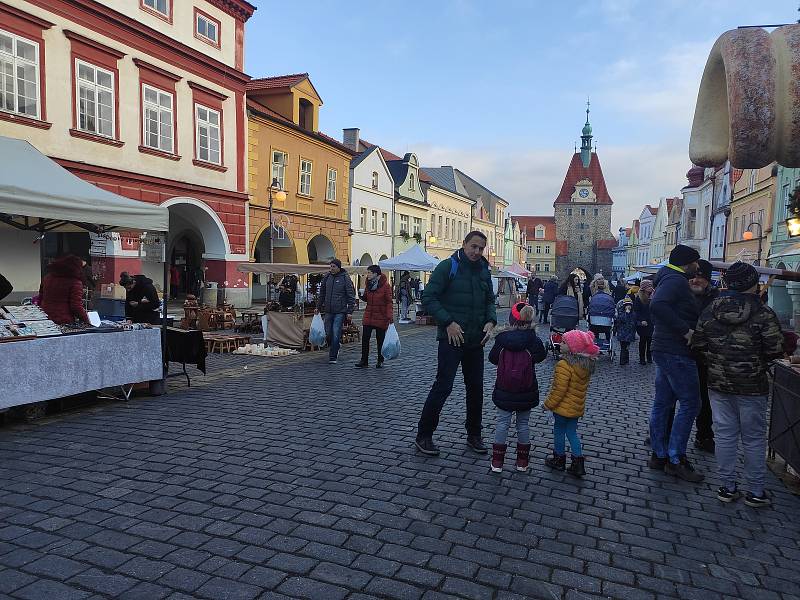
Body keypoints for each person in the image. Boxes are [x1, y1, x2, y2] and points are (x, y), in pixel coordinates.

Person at [692, 262, 785, 507]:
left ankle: (726, 486)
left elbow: (698, 343)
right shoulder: (763, 313)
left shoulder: (711, 309)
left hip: (718, 382)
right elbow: (776, 349)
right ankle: (755, 491)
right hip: (752, 384)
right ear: (752, 284)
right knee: (753, 438)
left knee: (724, 434)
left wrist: (716, 360)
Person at [415, 231, 497, 456]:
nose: (477, 252)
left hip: (475, 340)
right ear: (464, 244)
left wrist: (491, 321)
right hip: (452, 338)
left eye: (481, 248)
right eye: (473, 247)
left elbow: (490, 300)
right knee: (443, 387)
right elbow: (429, 298)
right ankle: (424, 435)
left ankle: (474, 435)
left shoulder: (483, 270)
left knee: (476, 389)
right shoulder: (447, 266)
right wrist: (447, 322)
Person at [647, 244, 704, 482]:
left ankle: (660, 455)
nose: (698, 267)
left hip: (665, 348)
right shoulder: (675, 280)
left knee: (664, 402)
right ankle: (676, 457)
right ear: (686, 262)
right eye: (696, 262)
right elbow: (658, 304)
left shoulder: (669, 278)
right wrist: (685, 331)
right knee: (691, 403)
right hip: (675, 351)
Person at [488, 302, 547, 473]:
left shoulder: (502, 339)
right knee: (523, 424)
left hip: (504, 389)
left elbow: (493, 358)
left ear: (511, 320)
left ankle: (497, 462)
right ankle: (522, 462)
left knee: (502, 423)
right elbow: (541, 356)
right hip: (526, 389)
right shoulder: (533, 340)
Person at [544, 329, 598, 477]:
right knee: (572, 433)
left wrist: (548, 404)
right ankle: (578, 464)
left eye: (564, 342)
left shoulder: (564, 364)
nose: (560, 344)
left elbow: (558, 390)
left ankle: (559, 459)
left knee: (559, 431)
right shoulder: (585, 365)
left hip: (562, 408)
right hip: (576, 407)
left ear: (573, 348)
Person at [689, 259, 719, 452]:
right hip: (681, 353)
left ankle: (704, 435)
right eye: (693, 276)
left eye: (700, 276)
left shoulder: (716, 299)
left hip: (704, 357)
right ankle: (663, 432)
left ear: (708, 279)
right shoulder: (682, 295)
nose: (696, 280)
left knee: (704, 399)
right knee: (671, 396)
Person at [316, 259, 356, 364]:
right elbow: (322, 293)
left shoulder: (345, 278)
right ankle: (336, 345)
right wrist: (318, 307)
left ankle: (333, 356)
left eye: (333, 266)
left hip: (340, 311)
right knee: (327, 333)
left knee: (336, 332)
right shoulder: (327, 277)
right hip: (328, 310)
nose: (331, 268)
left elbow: (351, 295)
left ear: (339, 267)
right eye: (331, 266)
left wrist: (349, 311)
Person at [356, 265, 393, 369]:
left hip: (381, 316)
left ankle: (380, 360)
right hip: (369, 315)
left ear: (376, 274)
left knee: (380, 340)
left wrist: (390, 316)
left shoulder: (386, 286)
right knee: (365, 338)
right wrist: (361, 296)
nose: (367, 275)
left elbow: (389, 302)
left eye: (369, 273)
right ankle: (364, 361)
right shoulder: (368, 284)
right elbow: (367, 299)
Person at [39, 255, 90, 325]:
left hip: (45, 318)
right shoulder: (75, 282)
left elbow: (40, 298)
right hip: (63, 320)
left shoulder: (47, 278)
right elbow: (76, 306)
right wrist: (87, 320)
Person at [587, 279, 615, 344]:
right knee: (607, 331)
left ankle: (595, 343)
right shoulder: (609, 297)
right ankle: (608, 342)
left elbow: (590, 308)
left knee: (595, 330)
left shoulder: (594, 297)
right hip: (606, 323)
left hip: (594, 322)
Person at [633, 279, 654, 364]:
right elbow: (636, 311)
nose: (651, 288)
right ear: (644, 288)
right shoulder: (639, 298)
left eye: (651, 286)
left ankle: (649, 357)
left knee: (650, 341)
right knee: (643, 340)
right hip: (643, 323)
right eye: (649, 286)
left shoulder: (653, 296)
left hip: (651, 322)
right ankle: (642, 358)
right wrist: (641, 320)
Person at [614, 297, 637, 366]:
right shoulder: (621, 313)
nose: (628, 307)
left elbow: (633, 322)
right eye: (627, 305)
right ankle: (622, 361)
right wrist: (626, 314)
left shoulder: (633, 314)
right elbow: (621, 320)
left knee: (627, 347)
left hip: (629, 333)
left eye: (629, 305)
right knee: (623, 347)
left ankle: (626, 359)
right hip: (622, 333)